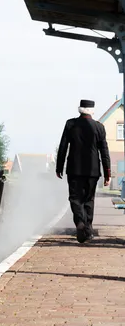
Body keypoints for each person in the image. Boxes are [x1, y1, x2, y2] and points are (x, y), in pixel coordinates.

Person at [56, 99, 111, 243]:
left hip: (74, 169)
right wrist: (107, 172)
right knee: (89, 199)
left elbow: (63, 147)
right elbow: (104, 151)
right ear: (92, 111)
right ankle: (88, 228)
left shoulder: (71, 124)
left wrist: (59, 167)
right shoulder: (99, 127)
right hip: (93, 171)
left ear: (79, 109)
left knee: (75, 198)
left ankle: (80, 224)